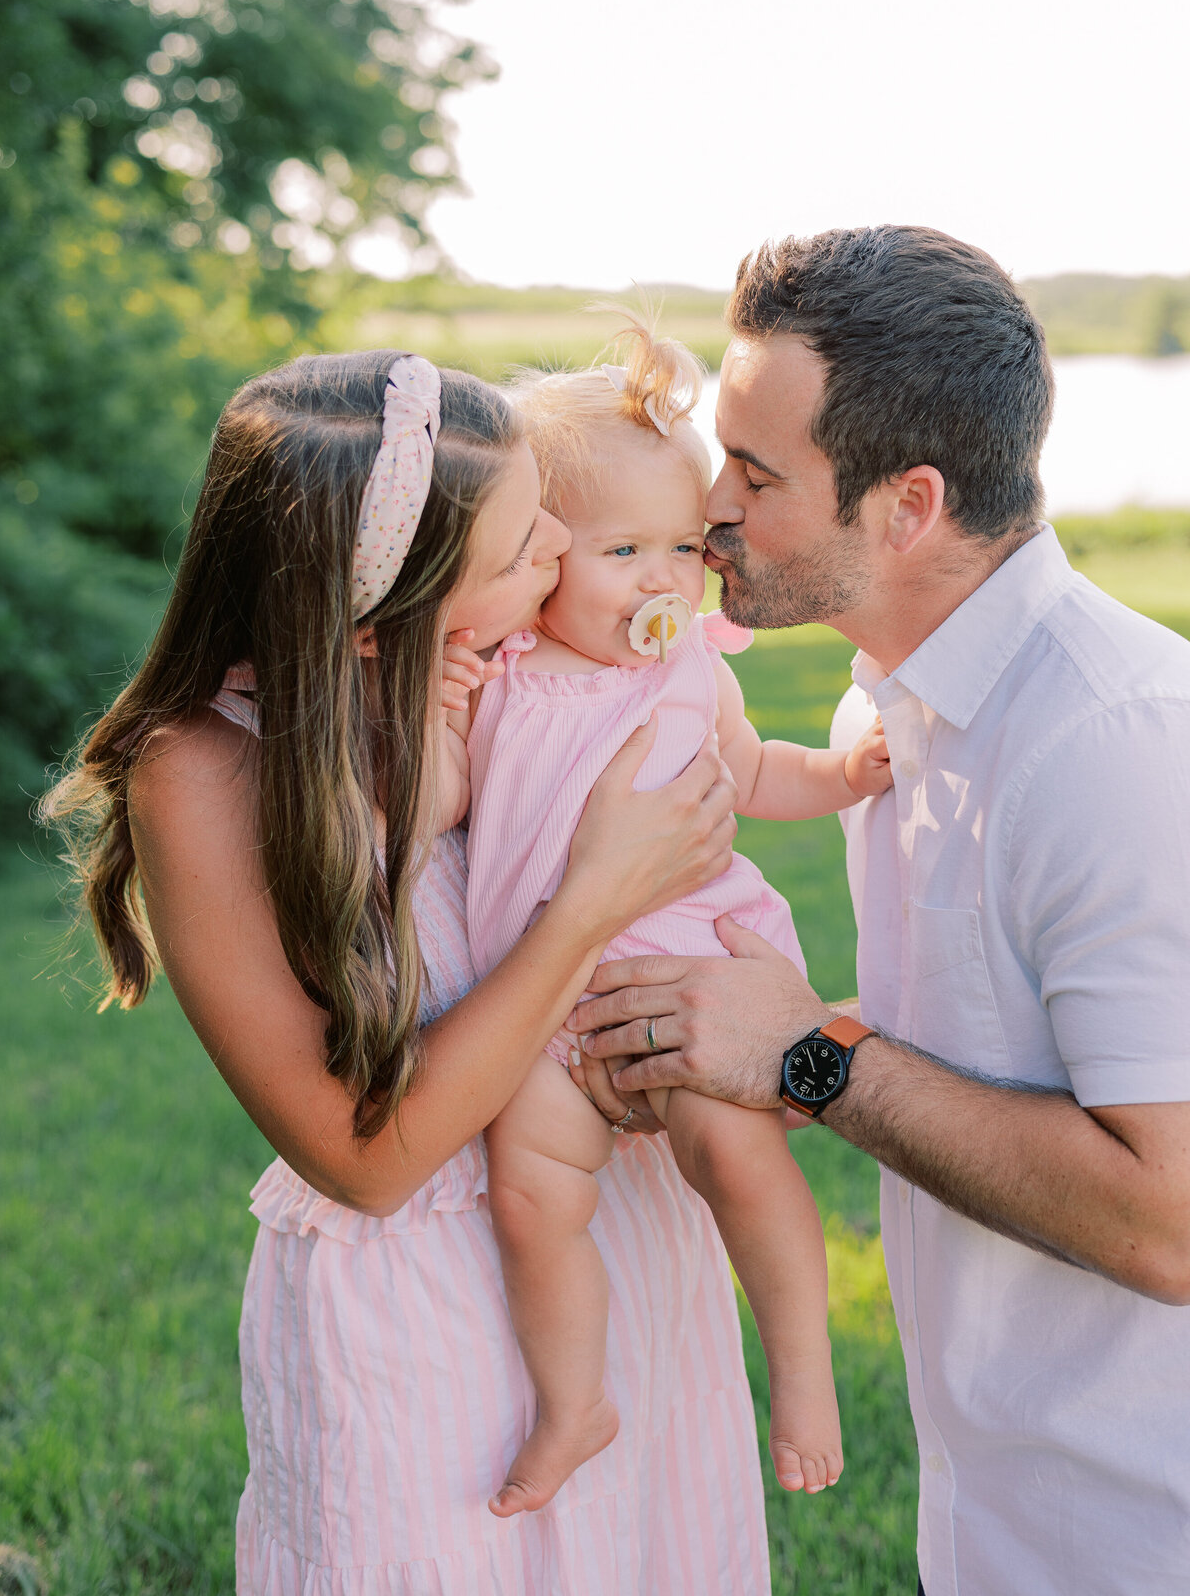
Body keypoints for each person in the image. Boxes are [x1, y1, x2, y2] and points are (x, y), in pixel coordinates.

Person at [46, 348, 772, 1594]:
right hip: (428, 1294)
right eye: (515, 549)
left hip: (611, 1229)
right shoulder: (205, 769)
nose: (561, 543)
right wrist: (596, 899)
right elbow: (365, 1159)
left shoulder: (499, 680)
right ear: (384, 611)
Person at [573, 228, 1190, 1596]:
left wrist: (809, 1053)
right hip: (1002, 1515)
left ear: (906, 506)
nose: (708, 501)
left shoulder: (1116, 746)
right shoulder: (884, 714)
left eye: (757, 472)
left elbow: (1173, 1222)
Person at [441, 316, 891, 1517]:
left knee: (731, 1156)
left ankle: (802, 1374)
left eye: (682, 548)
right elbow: (440, 804)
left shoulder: (691, 668)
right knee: (532, 1191)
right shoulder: (498, 672)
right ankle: (574, 1399)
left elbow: (749, 774)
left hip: (686, 979)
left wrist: (839, 778)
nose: (661, 580)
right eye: (621, 549)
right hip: (547, 1008)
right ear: (540, 560)